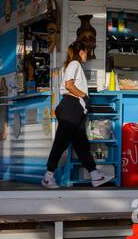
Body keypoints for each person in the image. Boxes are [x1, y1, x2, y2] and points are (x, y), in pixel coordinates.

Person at [42, 42, 107, 189]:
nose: (88, 56)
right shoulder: (75, 64)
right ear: (82, 52)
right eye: (87, 52)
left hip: (73, 108)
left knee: (81, 144)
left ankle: (95, 176)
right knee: (61, 142)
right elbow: (68, 85)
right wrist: (84, 96)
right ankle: (48, 176)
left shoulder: (72, 65)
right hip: (71, 107)